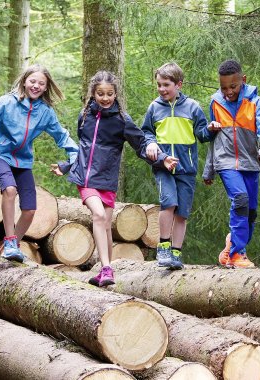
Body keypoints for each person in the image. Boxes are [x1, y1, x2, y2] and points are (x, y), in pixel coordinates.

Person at [51, 71, 177, 287]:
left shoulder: (122, 120)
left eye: (109, 94)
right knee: (99, 217)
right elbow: (84, 150)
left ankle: (104, 273)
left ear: (115, 94)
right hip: (86, 179)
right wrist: (67, 166)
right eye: (100, 93)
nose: (105, 98)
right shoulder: (85, 117)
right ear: (93, 93)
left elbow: (140, 145)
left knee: (107, 225)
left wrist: (162, 158)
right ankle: (107, 267)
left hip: (107, 180)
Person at [0, 64, 79, 263]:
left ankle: (10, 247)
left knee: (30, 210)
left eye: (41, 83)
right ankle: (11, 239)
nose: (36, 86)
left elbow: (62, 136)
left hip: (23, 161)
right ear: (24, 81)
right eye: (33, 81)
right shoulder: (7, 102)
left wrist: (73, 158)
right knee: (10, 190)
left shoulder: (46, 112)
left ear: (46, 87)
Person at [202, 59, 260, 268]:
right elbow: (213, 139)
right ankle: (237, 253)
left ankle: (232, 246)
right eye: (223, 87)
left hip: (250, 162)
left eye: (233, 86)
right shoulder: (216, 103)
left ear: (243, 80)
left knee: (251, 211)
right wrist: (209, 170)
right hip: (225, 162)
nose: (228, 92)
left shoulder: (256, 103)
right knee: (241, 199)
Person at [142, 62, 213, 270]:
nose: (162, 89)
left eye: (166, 85)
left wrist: (211, 128)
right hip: (163, 166)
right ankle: (163, 247)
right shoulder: (154, 107)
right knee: (168, 202)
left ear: (178, 84)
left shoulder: (192, 107)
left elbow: (201, 134)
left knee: (182, 212)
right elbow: (146, 132)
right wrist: (152, 143)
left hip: (187, 168)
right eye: (159, 85)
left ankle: (176, 253)